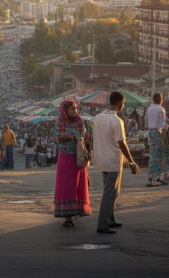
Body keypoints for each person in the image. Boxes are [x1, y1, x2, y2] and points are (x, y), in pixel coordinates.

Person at [92, 91, 139, 234]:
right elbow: (122, 144)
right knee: (110, 193)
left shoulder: (98, 117)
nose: (123, 105)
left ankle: (110, 219)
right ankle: (102, 224)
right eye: (123, 103)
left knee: (112, 192)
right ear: (119, 102)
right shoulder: (117, 121)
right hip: (112, 160)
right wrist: (131, 161)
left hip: (102, 159)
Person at [52, 99, 92, 227]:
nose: (75, 111)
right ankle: (67, 217)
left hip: (78, 158)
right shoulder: (59, 122)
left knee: (77, 186)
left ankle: (76, 211)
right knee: (67, 186)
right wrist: (70, 138)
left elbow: (85, 138)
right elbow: (57, 138)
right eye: (71, 109)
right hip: (65, 157)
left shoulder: (80, 122)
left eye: (76, 109)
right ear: (65, 111)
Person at [146, 93, 169, 187]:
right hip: (159, 134)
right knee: (158, 156)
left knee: (156, 154)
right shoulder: (161, 109)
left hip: (151, 133)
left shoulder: (149, 109)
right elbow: (162, 124)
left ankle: (158, 177)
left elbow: (147, 121)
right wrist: (167, 127)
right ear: (160, 99)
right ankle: (152, 178)